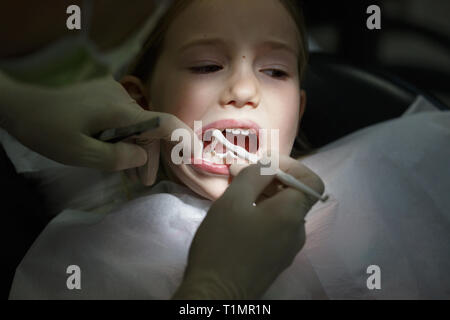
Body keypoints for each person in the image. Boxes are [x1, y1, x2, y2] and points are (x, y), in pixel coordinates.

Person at [2, 0, 324, 299]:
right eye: (206, 66)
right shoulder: (86, 258)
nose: (243, 90)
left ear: (299, 111)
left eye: (275, 71)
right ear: (140, 102)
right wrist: (215, 290)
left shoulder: (352, 200)